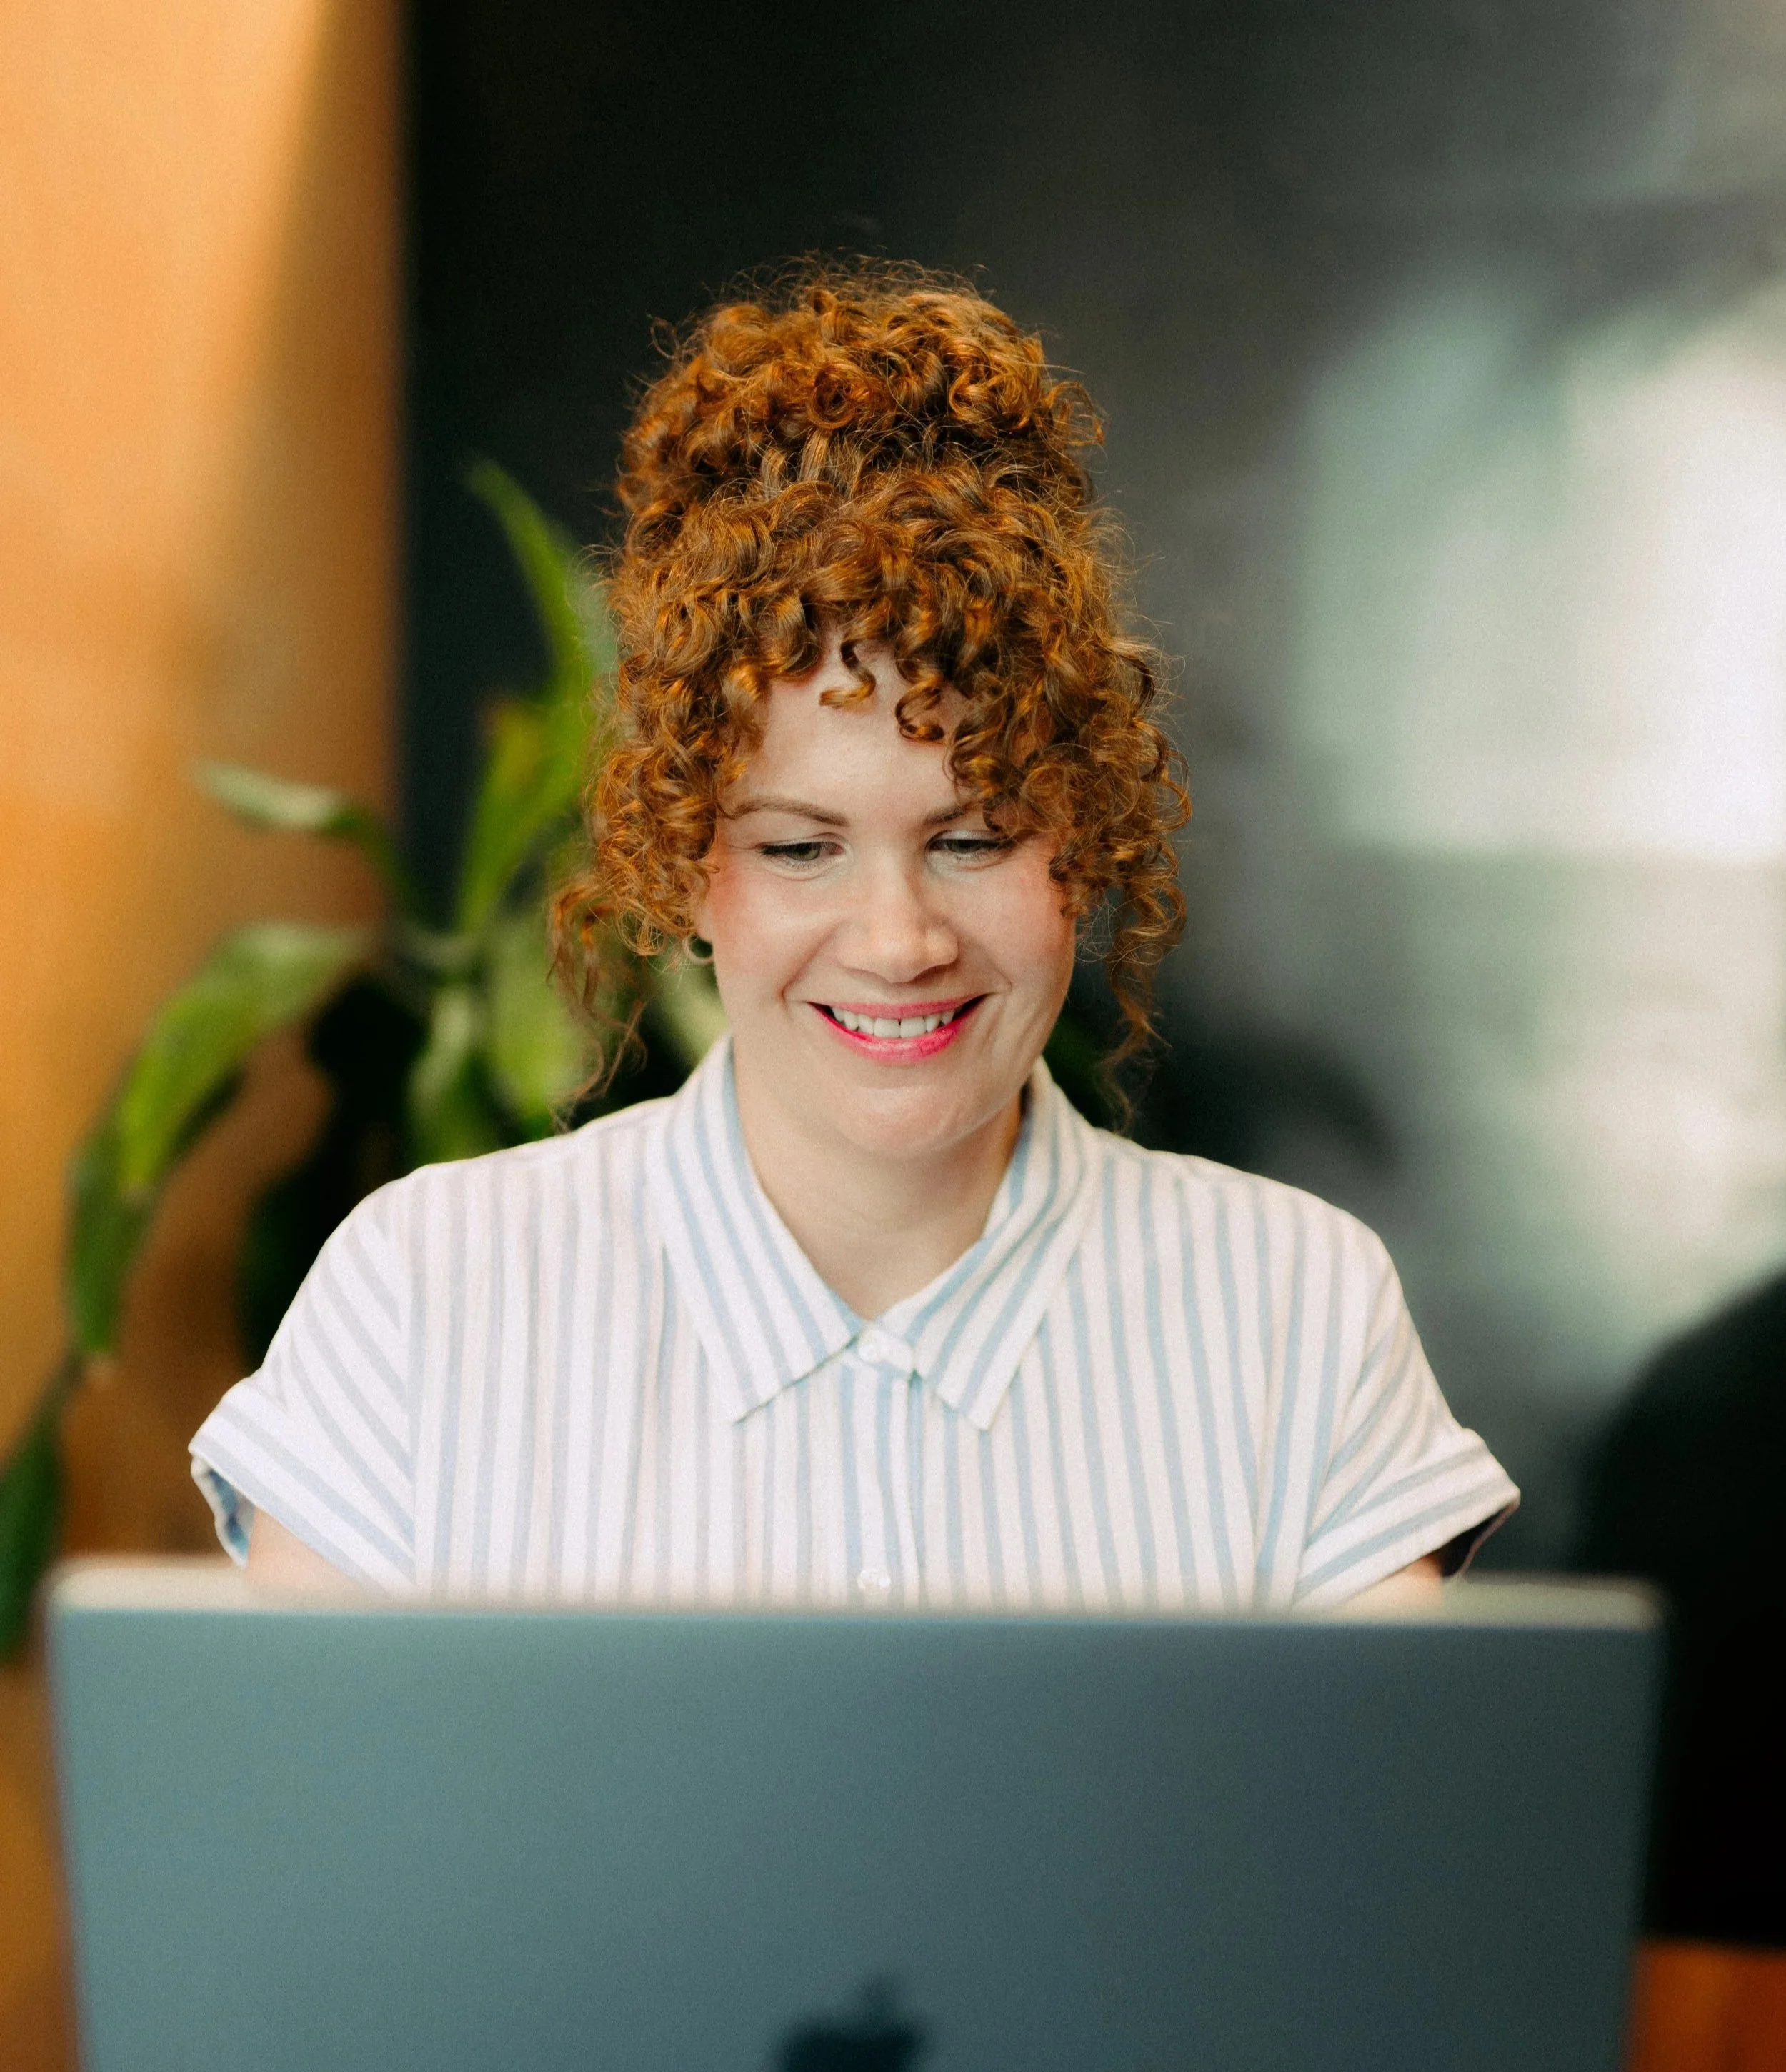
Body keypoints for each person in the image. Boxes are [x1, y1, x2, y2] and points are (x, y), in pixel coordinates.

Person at [191, 269, 1515, 1609]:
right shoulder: (426, 1295)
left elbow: (1396, 1821)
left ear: (1085, 841)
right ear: (689, 869)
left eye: (974, 839)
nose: (898, 942)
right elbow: (297, 1817)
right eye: (798, 848)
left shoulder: (1296, 1311)